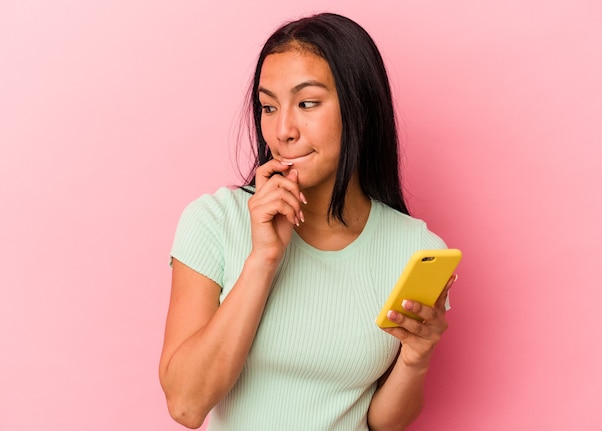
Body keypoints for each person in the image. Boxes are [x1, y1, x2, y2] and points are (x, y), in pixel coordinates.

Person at [159, 12, 456, 431]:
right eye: (268, 107)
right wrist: (263, 260)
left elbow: (383, 423)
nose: (282, 130)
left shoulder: (414, 249)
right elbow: (186, 405)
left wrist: (416, 357)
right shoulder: (214, 220)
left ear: (360, 110)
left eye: (307, 103)